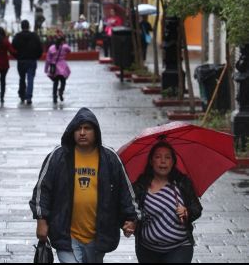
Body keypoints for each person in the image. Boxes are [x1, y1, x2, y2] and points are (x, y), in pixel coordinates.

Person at [30, 108, 139, 263]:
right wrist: (41, 220)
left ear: (96, 132)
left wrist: (130, 218)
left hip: (98, 237)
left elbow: (125, 191)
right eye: (78, 129)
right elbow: (43, 190)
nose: (82, 132)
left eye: (87, 128)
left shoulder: (109, 158)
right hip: (66, 235)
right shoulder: (58, 156)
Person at [132, 141, 202, 263]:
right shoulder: (141, 185)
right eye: (158, 157)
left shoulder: (181, 183)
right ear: (151, 161)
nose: (163, 161)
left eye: (167, 157)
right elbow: (130, 210)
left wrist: (187, 211)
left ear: (173, 162)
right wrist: (132, 221)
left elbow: (197, 208)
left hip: (180, 248)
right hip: (147, 250)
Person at [12, 20, 43, 105]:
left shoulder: (17, 37)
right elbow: (40, 48)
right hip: (31, 60)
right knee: (30, 79)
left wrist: (17, 57)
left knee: (22, 78)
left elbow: (12, 48)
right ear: (28, 26)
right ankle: (29, 96)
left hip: (21, 60)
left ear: (21, 26)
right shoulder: (34, 36)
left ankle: (22, 95)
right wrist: (36, 56)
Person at [46, 33, 71, 107]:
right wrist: (65, 44)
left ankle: (54, 97)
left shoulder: (51, 48)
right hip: (63, 66)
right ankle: (61, 91)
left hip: (55, 68)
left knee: (55, 82)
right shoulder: (64, 47)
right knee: (63, 81)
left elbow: (48, 59)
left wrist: (46, 68)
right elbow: (69, 50)